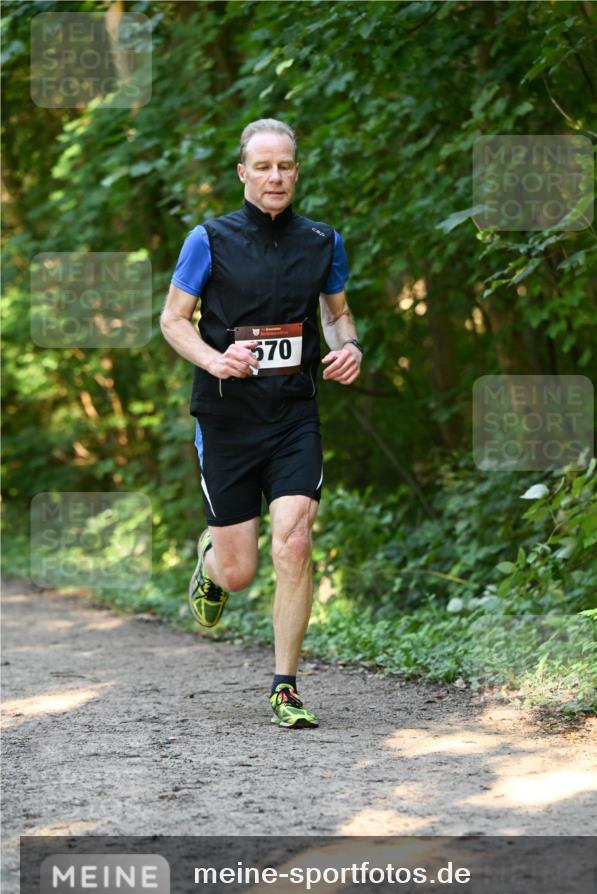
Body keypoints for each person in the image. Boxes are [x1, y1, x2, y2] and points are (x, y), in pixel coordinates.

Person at [160, 119, 363, 729]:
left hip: (293, 416)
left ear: (296, 173)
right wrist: (215, 358)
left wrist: (348, 345)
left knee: (296, 541)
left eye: (286, 167)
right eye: (264, 167)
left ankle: (285, 686)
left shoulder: (323, 241)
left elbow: (338, 314)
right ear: (244, 172)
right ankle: (213, 563)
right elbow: (173, 320)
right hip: (225, 419)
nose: (276, 177)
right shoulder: (208, 239)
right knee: (242, 571)